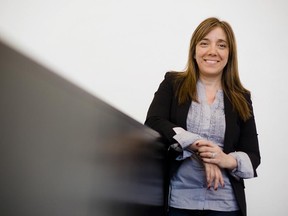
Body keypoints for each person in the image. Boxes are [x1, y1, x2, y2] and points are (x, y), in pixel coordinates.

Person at [145, 17, 261, 216]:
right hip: (180, 202)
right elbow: (154, 122)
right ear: (195, 50)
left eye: (221, 45)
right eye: (204, 43)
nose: (212, 51)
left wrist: (224, 159)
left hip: (226, 206)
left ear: (229, 53)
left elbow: (253, 155)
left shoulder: (241, 97)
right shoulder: (173, 84)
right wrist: (198, 145)